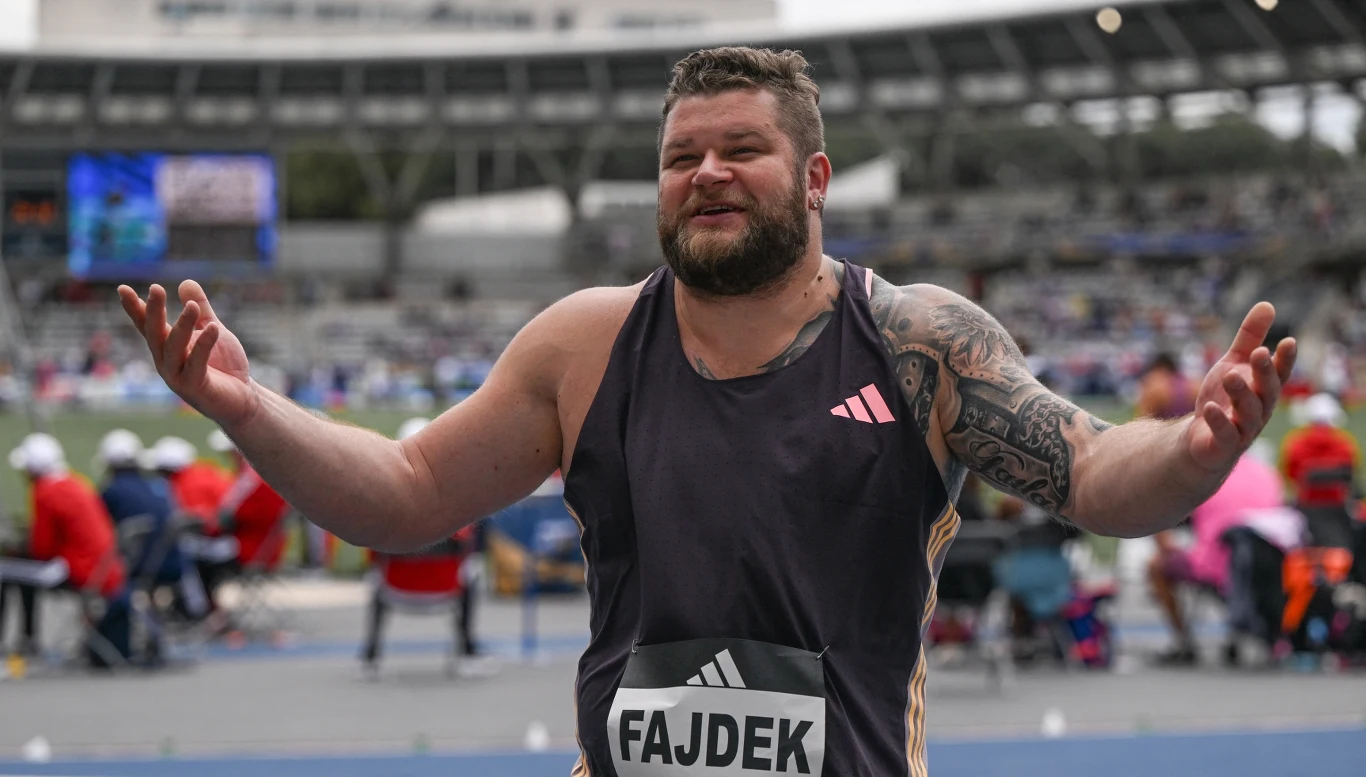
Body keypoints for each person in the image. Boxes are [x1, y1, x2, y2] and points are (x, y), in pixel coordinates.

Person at [120, 47, 1295, 776]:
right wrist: (247, 408)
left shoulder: (918, 339)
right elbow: (411, 496)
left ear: (816, 179)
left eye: (743, 149)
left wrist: (1193, 450)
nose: (707, 174)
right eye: (683, 155)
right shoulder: (583, 344)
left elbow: (1091, 474)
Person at [360, 417, 493, 678]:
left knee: (373, 577)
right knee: (473, 570)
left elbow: (373, 555)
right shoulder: (455, 506)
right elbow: (466, 546)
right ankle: (467, 651)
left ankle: (370, 656)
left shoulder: (383, 506)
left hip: (394, 589)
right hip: (446, 591)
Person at [1147, 450, 1286, 665]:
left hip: (1214, 565)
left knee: (1156, 565)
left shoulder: (1205, 474)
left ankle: (1183, 641)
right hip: (1264, 564)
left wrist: (1167, 546)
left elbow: (1160, 516)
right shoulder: (1267, 473)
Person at [0, 433, 129, 665]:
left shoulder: (45, 492)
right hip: (105, 568)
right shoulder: (75, 482)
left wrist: (17, 547)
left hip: (81, 569)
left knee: (7, 571)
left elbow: (42, 549)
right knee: (21, 573)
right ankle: (28, 636)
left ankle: (26, 637)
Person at [96, 429, 208, 622]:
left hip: (142, 567)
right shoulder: (159, 484)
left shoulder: (112, 491)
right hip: (177, 564)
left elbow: (100, 531)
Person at [1280, 393, 1360, 507]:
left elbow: (1290, 476)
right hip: (1338, 507)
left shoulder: (1295, 444)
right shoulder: (1345, 443)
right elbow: (1351, 474)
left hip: (1306, 506)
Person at [1137, 352, 1198, 420]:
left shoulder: (1153, 385)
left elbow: (1143, 420)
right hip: (1189, 425)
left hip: (1164, 426)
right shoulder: (1194, 384)